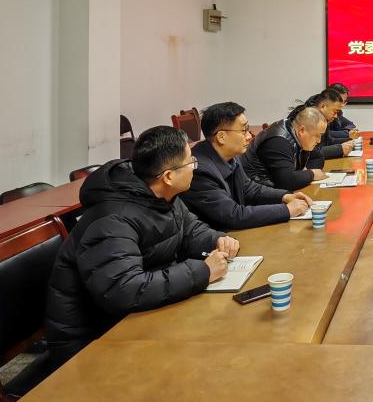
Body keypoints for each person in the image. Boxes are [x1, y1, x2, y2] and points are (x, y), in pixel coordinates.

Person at [45, 126, 241, 367]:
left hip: (138, 316)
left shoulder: (161, 195)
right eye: (191, 161)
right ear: (168, 176)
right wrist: (203, 271)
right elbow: (124, 290)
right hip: (94, 340)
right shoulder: (113, 221)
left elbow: (190, 229)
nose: (194, 167)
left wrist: (217, 239)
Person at [180, 102, 312, 230]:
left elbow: (248, 188)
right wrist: (286, 210)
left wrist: (285, 196)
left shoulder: (229, 155)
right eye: (244, 130)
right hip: (217, 239)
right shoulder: (199, 171)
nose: (249, 136)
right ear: (221, 137)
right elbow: (233, 215)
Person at [240, 106, 328, 191]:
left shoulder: (295, 132)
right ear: (302, 130)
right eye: (317, 135)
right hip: (256, 191)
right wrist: (311, 174)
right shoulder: (278, 142)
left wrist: (301, 175)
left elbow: (318, 157)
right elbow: (286, 182)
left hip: (272, 191)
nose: (319, 140)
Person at [304, 88, 355, 166]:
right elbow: (309, 153)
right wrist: (340, 149)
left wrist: (349, 141)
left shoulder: (324, 118)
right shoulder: (308, 118)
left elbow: (328, 140)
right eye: (334, 112)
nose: (336, 116)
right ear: (323, 106)